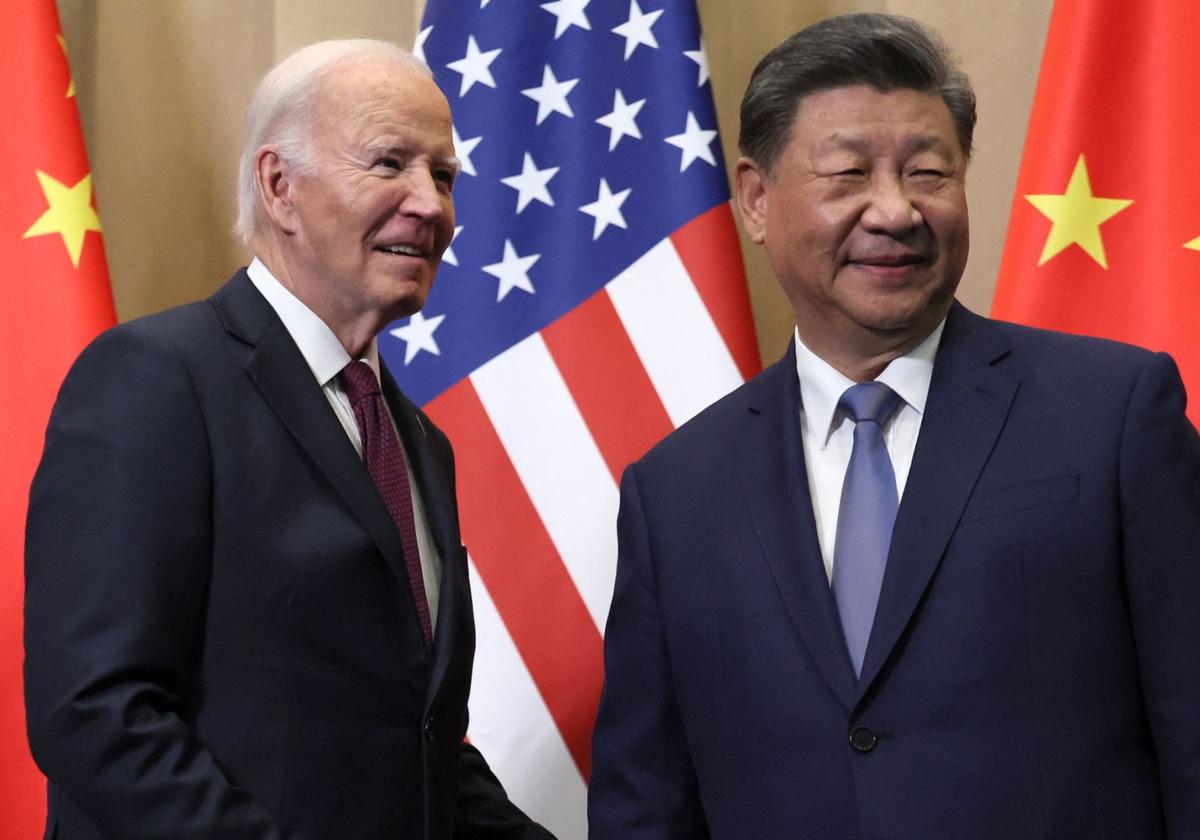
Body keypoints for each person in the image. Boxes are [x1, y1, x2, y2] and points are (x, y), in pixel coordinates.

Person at [589, 13, 1200, 839]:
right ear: (756, 199)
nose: (896, 210)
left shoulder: (1115, 411)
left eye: (928, 173)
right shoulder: (673, 490)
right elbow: (646, 802)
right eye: (847, 173)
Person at [25, 39, 555, 840]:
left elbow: (413, 738)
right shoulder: (156, 381)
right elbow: (97, 712)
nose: (431, 204)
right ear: (279, 186)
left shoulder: (415, 439)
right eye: (390, 163)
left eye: (443, 176)